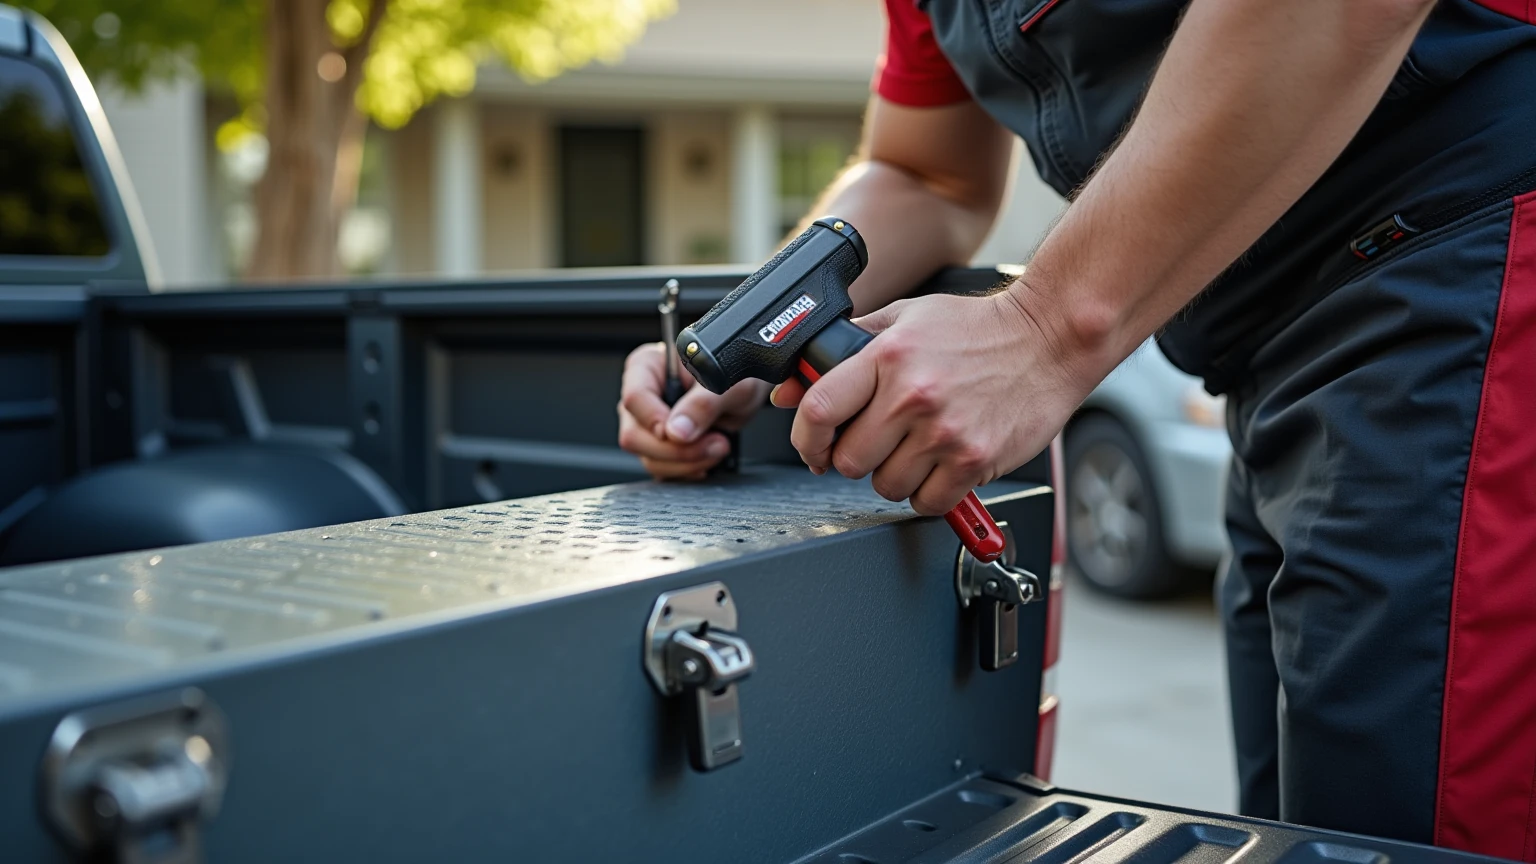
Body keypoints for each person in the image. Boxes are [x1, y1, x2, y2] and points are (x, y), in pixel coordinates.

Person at [618, 0, 1536, 857]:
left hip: (1464, 266)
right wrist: (749, 334)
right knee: (1310, 829)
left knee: (1408, 829)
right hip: (1264, 365)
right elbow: (925, 172)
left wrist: (1045, 328)